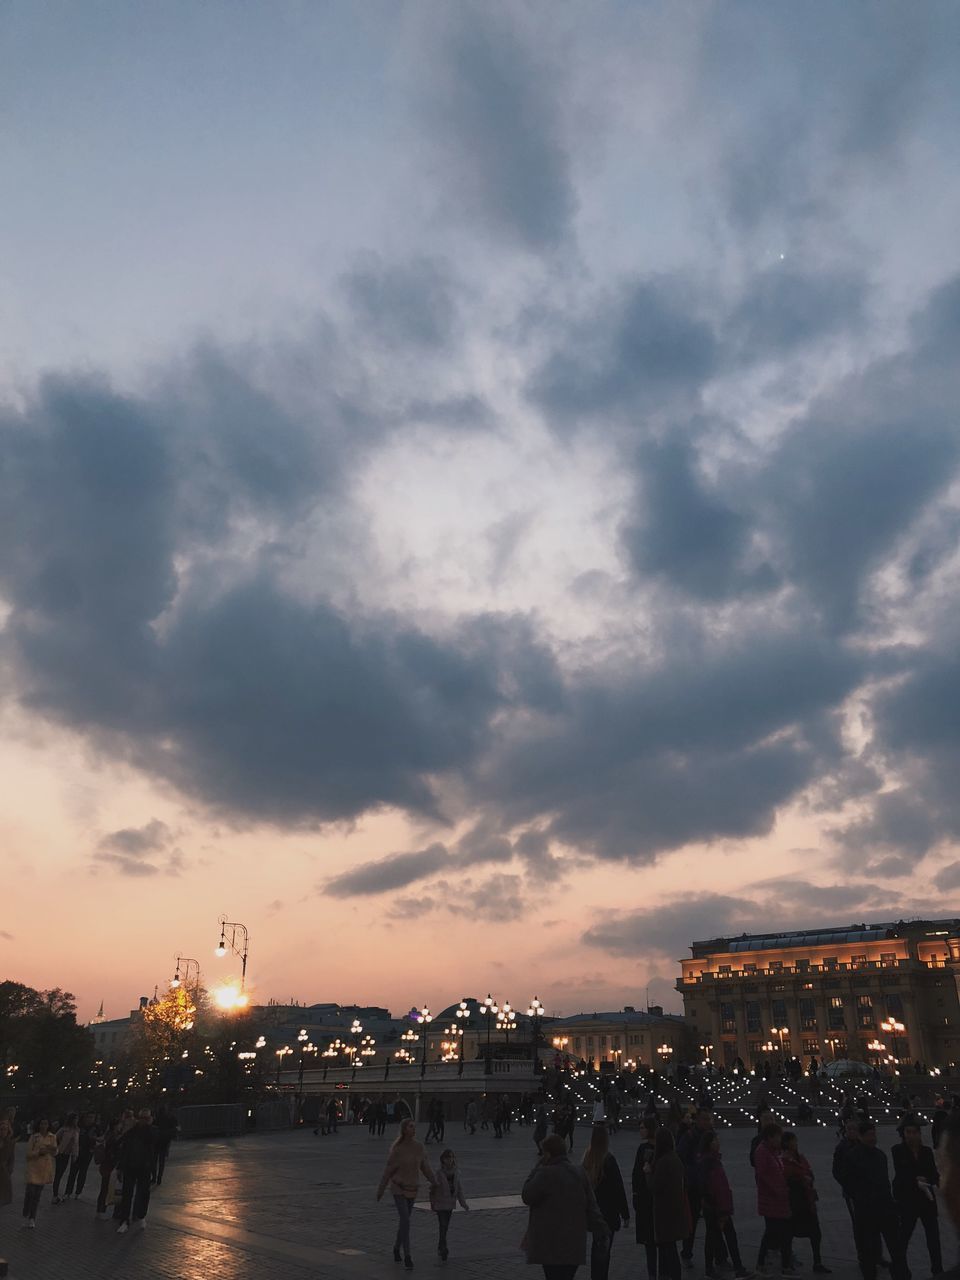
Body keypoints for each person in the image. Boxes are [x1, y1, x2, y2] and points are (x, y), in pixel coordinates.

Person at [522, 1131, 609, 1280]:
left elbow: (527, 1195)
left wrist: (536, 1168)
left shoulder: (545, 1174)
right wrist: (602, 1230)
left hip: (550, 1244)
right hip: (574, 1244)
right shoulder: (579, 1173)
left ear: (548, 1154)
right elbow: (592, 1206)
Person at [845, 1120, 908, 1280]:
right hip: (866, 1212)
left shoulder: (880, 1155)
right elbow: (850, 1184)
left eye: (874, 1134)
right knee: (868, 1252)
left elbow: (885, 1182)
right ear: (860, 1136)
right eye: (868, 1135)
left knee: (896, 1250)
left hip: (886, 1210)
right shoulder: (853, 1157)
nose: (872, 1138)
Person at [376, 1118, 436, 1271]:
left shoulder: (419, 1147)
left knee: (404, 1221)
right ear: (404, 1129)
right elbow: (387, 1172)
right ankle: (407, 1256)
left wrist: (435, 1182)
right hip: (398, 1188)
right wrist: (381, 1190)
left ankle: (396, 1247)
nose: (413, 1129)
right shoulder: (398, 1150)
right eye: (410, 1126)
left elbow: (426, 1168)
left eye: (414, 1126)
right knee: (405, 1220)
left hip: (412, 1188)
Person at [699, 1129, 753, 1279]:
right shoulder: (709, 1162)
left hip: (716, 1206)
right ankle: (736, 1268)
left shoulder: (712, 1160)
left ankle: (714, 1268)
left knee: (715, 1237)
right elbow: (713, 1186)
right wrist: (719, 1208)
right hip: (717, 1207)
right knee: (724, 1237)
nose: (718, 1142)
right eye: (715, 1140)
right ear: (709, 1144)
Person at [892, 1116, 941, 1275]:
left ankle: (938, 1270)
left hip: (927, 1200)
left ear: (919, 1134)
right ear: (903, 1134)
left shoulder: (926, 1151)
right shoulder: (898, 1150)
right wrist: (915, 1180)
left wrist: (927, 1179)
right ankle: (901, 1270)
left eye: (914, 1132)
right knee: (903, 1237)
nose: (911, 1135)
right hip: (908, 1201)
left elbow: (934, 1173)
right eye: (908, 1132)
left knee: (933, 1239)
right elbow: (901, 1174)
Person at [583, 1123, 629, 1280]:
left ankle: (595, 1276)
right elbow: (618, 1189)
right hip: (608, 1213)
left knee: (597, 1248)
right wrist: (625, 1214)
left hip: (594, 1213)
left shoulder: (587, 1158)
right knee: (605, 1252)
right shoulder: (608, 1160)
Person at [781, 1129, 830, 1273]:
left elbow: (809, 1172)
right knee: (789, 1233)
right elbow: (786, 1177)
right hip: (794, 1200)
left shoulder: (800, 1157)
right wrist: (801, 1178)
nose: (795, 1143)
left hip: (807, 1199)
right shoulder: (783, 1159)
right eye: (792, 1140)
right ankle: (787, 1262)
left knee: (815, 1232)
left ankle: (817, 1261)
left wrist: (807, 1177)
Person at [754, 1122, 794, 1275]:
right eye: (778, 1137)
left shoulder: (774, 1152)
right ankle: (765, 1263)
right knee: (773, 1233)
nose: (780, 1140)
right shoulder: (762, 1152)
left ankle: (784, 1264)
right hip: (771, 1199)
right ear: (770, 1137)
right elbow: (763, 1176)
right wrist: (778, 1190)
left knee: (779, 1233)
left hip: (778, 1198)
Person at [679, 1108, 716, 1266]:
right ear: (697, 1120)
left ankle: (720, 1257)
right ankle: (687, 1252)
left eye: (709, 1119)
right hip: (694, 1184)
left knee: (715, 1221)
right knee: (692, 1221)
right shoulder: (690, 1136)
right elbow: (680, 1156)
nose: (708, 1122)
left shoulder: (711, 1136)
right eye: (705, 1119)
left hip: (709, 1183)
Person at [650, 1127, 686, 1280]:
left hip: (665, 1211)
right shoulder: (675, 1158)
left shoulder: (663, 1161)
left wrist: (647, 1173)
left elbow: (654, 1187)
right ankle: (666, 1275)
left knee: (668, 1247)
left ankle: (671, 1275)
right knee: (667, 1247)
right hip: (675, 1208)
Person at [116, 1108, 157, 1233]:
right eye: (142, 1118)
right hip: (131, 1166)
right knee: (127, 1194)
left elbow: (154, 1142)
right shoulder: (132, 1132)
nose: (144, 1121)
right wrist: (120, 1167)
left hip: (144, 1167)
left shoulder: (151, 1131)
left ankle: (140, 1216)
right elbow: (123, 1149)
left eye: (146, 1118)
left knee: (143, 1193)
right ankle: (125, 1219)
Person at [429, 1147, 469, 1263]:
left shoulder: (456, 1172)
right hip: (441, 1204)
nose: (449, 1160)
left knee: (445, 1227)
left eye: (451, 1157)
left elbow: (459, 1189)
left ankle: (440, 1246)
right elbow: (432, 1188)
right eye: (447, 1158)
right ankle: (444, 1248)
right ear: (443, 1160)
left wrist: (463, 1203)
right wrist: (432, 1202)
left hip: (450, 1204)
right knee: (443, 1225)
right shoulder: (439, 1173)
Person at [632, 1115, 659, 1279]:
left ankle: (654, 1274)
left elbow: (637, 1174)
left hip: (649, 1199)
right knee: (654, 1241)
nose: (640, 1131)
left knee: (652, 1241)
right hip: (649, 1198)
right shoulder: (646, 1148)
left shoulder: (645, 1149)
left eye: (642, 1127)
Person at [22, 1117, 56, 1227]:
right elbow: (28, 1154)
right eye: (42, 1123)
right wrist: (39, 1152)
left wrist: (53, 1149)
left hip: (44, 1169)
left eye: (46, 1124)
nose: (44, 1126)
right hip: (33, 1167)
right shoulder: (34, 1137)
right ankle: (25, 1213)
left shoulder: (52, 1137)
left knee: (37, 1195)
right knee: (30, 1193)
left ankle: (32, 1217)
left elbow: (55, 1152)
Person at [95, 1117, 123, 1219]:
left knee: (108, 1188)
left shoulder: (109, 1135)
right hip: (110, 1165)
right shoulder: (113, 1136)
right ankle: (101, 1210)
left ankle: (103, 1210)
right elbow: (113, 1151)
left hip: (108, 1165)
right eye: (119, 1124)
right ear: (115, 1126)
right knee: (106, 1188)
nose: (121, 1126)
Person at [66, 1113, 98, 1199]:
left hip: (88, 1153)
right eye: (89, 1117)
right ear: (84, 1118)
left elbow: (99, 1139)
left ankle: (78, 1192)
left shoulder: (95, 1128)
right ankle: (68, 1192)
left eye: (92, 1117)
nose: (90, 1119)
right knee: (73, 1172)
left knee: (83, 1173)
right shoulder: (79, 1127)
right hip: (77, 1151)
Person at [52, 1112, 79, 1203]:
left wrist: (74, 1155)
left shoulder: (76, 1130)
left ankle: (58, 1194)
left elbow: (75, 1145)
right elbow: (54, 1138)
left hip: (68, 1154)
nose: (76, 1121)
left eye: (77, 1119)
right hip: (60, 1153)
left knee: (61, 1173)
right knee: (58, 1174)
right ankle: (55, 1195)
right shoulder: (64, 1129)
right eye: (75, 1119)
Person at [152, 1105, 177, 1185]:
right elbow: (174, 1127)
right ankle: (159, 1177)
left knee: (154, 1161)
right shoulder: (169, 1118)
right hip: (164, 1141)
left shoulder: (156, 1119)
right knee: (161, 1161)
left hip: (156, 1142)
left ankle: (154, 1177)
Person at [0, 1108, 16, 1211]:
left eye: (5, 1129)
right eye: (1, 1129)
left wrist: (9, 1171)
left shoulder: (10, 1143)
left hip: (3, 1175)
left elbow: (12, 1159)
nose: (3, 1131)